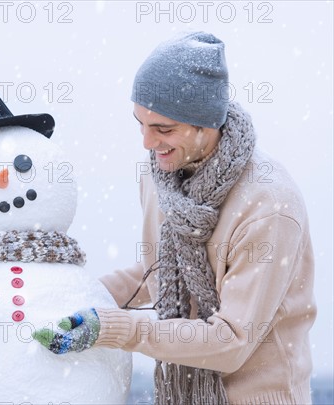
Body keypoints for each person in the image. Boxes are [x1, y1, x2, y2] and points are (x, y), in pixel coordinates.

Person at [33, 31, 316, 404]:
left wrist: (117, 329)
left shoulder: (268, 206)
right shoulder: (160, 177)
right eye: (141, 124)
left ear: (206, 124)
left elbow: (231, 340)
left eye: (163, 129)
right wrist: (72, 296)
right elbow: (161, 273)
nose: (148, 143)